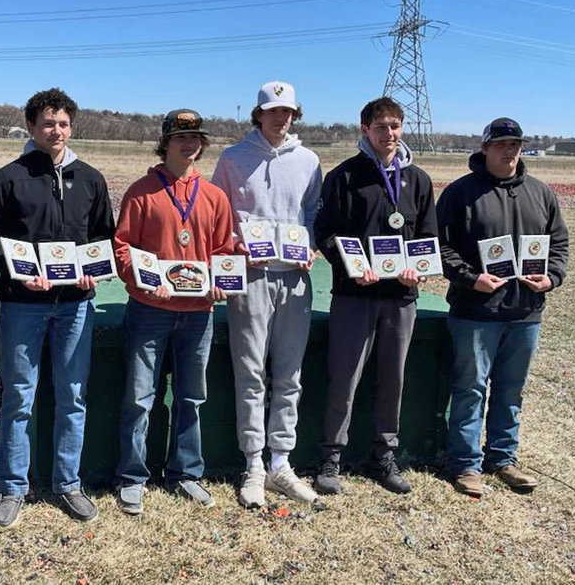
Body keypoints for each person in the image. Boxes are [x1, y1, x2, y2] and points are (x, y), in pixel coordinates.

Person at [0, 88, 114, 526]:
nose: (57, 131)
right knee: (19, 396)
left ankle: (68, 484)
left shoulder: (90, 178)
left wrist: (95, 269)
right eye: (48, 123)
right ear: (32, 127)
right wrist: (16, 271)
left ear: (71, 128)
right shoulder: (7, 178)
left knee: (73, 396)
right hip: (24, 306)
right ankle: (13, 487)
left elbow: (102, 238)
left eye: (64, 124)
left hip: (75, 304)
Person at [437, 117, 568, 498]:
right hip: (475, 311)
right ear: (485, 149)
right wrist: (470, 278)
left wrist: (551, 278)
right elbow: (440, 247)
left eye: (515, 144)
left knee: (511, 390)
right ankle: (465, 465)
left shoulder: (541, 193)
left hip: (525, 312)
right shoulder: (460, 193)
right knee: (470, 389)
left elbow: (558, 244)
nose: (509, 151)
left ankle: (503, 458)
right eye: (501, 144)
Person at [112, 109, 234, 514]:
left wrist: (221, 280)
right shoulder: (141, 192)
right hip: (150, 309)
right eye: (182, 137)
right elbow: (122, 246)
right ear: (165, 142)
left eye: (196, 137)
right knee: (139, 397)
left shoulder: (214, 195)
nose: (189, 144)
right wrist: (144, 280)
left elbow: (223, 251)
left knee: (192, 397)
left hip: (199, 312)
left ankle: (186, 473)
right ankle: (132, 476)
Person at [313, 96, 437, 495]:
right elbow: (326, 233)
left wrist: (414, 268)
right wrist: (351, 265)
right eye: (382, 127)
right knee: (344, 380)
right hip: (355, 295)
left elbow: (427, 238)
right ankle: (330, 457)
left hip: (400, 298)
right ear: (364, 129)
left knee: (393, 379)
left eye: (396, 126)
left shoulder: (417, 179)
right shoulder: (344, 176)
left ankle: (384, 457)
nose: (390, 134)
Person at [211, 81, 322, 507]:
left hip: (294, 279)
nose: (282, 118)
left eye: (289, 111)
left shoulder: (309, 160)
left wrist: (309, 245)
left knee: (289, 375)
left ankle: (281, 461)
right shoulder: (233, 158)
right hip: (252, 278)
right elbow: (219, 214)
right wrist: (233, 247)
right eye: (273, 111)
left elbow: (311, 212)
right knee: (251, 373)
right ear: (258, 114)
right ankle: (254, 463)